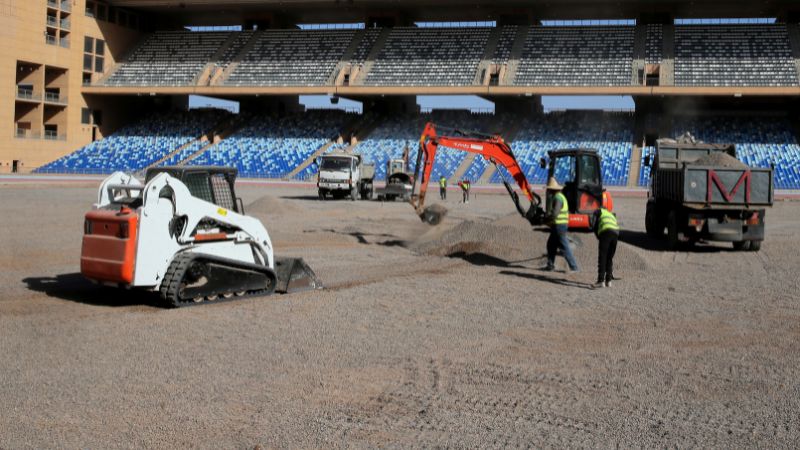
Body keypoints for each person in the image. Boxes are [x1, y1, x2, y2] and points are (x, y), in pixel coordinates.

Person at [542, 177, 579, 273]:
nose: (548, 191)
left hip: (559, 226)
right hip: (559, 225)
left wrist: (546, 218)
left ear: (552, 189)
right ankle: (550, 265)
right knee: (551, 244)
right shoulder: (560, 196)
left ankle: (574, 267)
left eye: (549, 189)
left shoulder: (558, 198)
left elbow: (555, 213)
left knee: (564, 246)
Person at [592, 206, 619, 288]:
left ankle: (600, 281)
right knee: (609, 258)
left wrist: (598, 236)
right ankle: (608, 281)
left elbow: (594, 225)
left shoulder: (598, 212)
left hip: (606, 232)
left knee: (602, 257)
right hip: (616, 234)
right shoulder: (610, 214)